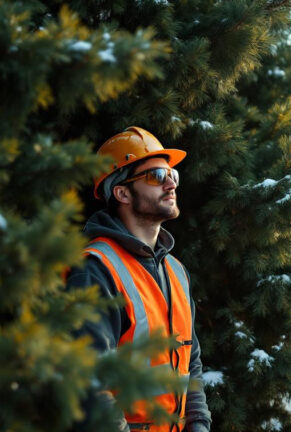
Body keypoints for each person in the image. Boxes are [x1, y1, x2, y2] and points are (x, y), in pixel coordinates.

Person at [67, 126, 211, 432]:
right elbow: (89, 381)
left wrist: (198, 425)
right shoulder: (94, 268)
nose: (170, 184)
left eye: (173, 175)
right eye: (157, 176)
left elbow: (191, 363)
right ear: (122, 193)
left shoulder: (176, 271)